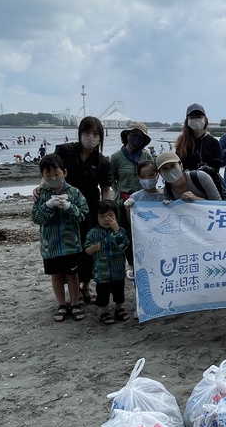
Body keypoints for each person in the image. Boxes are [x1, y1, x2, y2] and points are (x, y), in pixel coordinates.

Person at [53, 116, 114, 302]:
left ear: (101, 137)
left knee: (88, 248)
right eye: (86, 133)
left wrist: (107, 213)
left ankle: (86, 286)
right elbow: (51, 170)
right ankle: (73, 288)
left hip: (89, 209)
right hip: (65, 208)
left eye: (95, 134)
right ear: (80, 133)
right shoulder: (64, 151)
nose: (91, 137)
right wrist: (41, 187)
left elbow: (105, 189)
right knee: (69, 249)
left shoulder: (103, 162)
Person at [31, 154, 89, 322]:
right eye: (48, 176)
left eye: (56, 174)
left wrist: (69, 207)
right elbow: (36, 218)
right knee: (55, 275)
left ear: (64, 172)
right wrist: (48, 206)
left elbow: (83, 216)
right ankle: (62, 304)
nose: (53, 178)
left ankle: (75, 303)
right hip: (50, 246)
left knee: (72, 275)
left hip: (70, 244)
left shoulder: (74, 192)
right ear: (43, 176)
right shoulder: (42, 193)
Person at [109, 122, 154, 280]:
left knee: (145, 233)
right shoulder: (116, 157)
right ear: (127, 136)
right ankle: (131, 264)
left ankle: (146, 262)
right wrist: (118, 193)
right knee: (127, 233)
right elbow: (111, 179)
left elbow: (152, 174)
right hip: (125, 202)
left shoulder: (146, 156)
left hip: (144, 201)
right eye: (133, 134)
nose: (136, 139)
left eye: (140, 136)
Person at [84, 199, 132, 324]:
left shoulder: (120, 230)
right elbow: (86, 250)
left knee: (119, 292)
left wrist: (116, 230)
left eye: (110, 215)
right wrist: (92, 248)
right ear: (97, 217)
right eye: (103, 216)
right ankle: (104, 312)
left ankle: (119, 309)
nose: (107, 219)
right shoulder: (93, 233)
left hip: (118, 270)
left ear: (116, 216)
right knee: (102, 293)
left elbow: (124, 245)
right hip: (101, 272)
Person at [174, 103, 223, 171]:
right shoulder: (181, 142)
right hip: (187, 180)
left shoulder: (213, 142)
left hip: (209, 180)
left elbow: (217, 166)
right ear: (187, 121)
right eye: (192, 117)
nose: (196, 120)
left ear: (205, 119)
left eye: (199, 116)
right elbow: (177, 165)